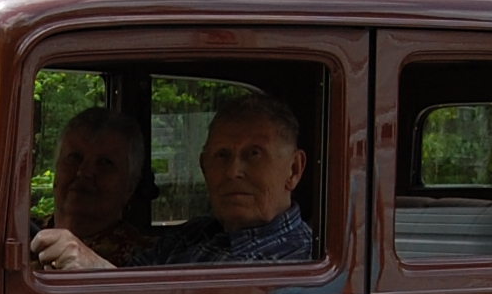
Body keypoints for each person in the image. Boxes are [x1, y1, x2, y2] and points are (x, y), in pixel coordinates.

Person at [32, 92, 315, 271]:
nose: (233, 171)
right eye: (221, 155)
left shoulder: (301, 261)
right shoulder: (192, 235)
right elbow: (133, 279)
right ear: (204, 166)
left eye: (254, 155)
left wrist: (96, 271)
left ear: (293, 169)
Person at [35, 107, 151, 267]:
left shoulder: (149, 258)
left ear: (130, 186)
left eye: (105, 163)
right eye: (75, 157)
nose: (84, 172)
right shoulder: (18, 234)